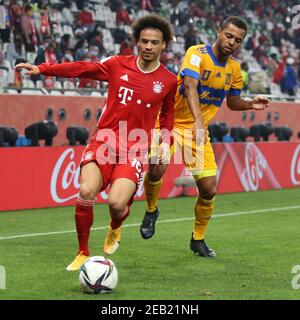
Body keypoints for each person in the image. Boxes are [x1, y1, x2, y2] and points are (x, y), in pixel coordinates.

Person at [15, 13, 177, 271]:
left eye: (154, 42)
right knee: (86, 192)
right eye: (144, 41)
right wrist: (43, 69)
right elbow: (82, 68)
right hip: (104, 141)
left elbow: (168, 115)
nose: (148, 46)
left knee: (115, 204)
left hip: (134, 149)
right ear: (137, 42)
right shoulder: (117, 64)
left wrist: (166, 142)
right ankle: (82, 252)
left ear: (164, 45)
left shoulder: (168, 80)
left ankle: (116, 226)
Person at [139, 16, 270, 257]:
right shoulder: (196, 53)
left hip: (196, 134)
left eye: (238, 40)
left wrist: (251, 104)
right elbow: (189, 86)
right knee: (157, 166)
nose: (232, 42)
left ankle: (197, 239)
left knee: (208, 188)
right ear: (219, 31)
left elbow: (232, 102)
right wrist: (199, 120)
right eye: (228, 36)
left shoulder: (235, 69)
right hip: (169, 123)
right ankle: (151, 209)